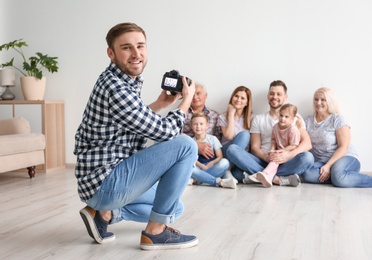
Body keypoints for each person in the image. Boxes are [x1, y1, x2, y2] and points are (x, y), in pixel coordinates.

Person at [73, 22, 199, 250]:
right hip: (105, 181)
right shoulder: (116, 88)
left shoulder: (122, 81)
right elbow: (165, 132)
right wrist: (186, 101)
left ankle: (105, 214)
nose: (136, 54)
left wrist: (162, 103)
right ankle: (155, 233)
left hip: (103, 184)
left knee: (173, 208)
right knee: (186, 145)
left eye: (140, 46)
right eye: (127, 48)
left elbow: (131, 122)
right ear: (111, 53)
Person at [226, 80, 314, 187]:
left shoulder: (295, 118)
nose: (274, 97)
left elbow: (307, 144)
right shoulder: (258, 119)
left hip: (286, 162)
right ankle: (276, 179)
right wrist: (267, 157)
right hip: (262, 160)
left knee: (308, 158)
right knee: (232, 149)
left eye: (279, 94)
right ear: (268, 96)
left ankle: (261, 175)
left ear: (285, 97)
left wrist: (287, 156)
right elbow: (254, 148)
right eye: (272, 93)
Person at [302, 87, 372, 187]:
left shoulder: (337, 119)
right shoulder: (307, 121)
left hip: (345, 157)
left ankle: (338, 176)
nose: (318, 102)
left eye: (323, 99)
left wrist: (329, 165)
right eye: (316, 99)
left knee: (338, 177)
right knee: (307, 174)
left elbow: (344, 147)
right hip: (322, 162)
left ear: (329, 101)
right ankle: (338, 176)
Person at [255, 104, 301, 188]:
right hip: (278, 152)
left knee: (276, 158)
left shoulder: (293, 130)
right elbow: (273, 140)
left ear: (292, 118)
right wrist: (272, 149)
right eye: (281, 115)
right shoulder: (275, 127)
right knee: (275, 157)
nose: (283, 119)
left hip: (289, 154)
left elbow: (294, 145)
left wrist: (282, 151)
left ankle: (265, 173)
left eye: (286, 117)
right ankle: (271, 179)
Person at [189, 112, 235, 189]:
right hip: (199, 167)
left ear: (207, 126)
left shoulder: (212, 139)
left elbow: (220, 156)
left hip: (213, 167)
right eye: (195, 124)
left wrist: (210, 164)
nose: (198, 126)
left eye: (201, 124)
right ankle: (214, 181)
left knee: (225, 162)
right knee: (190, 168)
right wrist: (202, 166)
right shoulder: (190, 141)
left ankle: (197, 180)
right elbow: (191, 159)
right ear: (191, 126)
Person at [183, 82, 221, 160]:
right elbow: (175, 137)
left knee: (223, 163)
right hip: (189, 153)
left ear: (205, 95)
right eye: (192, 94)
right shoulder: (182, 113)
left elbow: (219, 137)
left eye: (198, 93)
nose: (195, 97)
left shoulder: (214, 115)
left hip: (211, 153)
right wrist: (195, 145)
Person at [217, 86, 252, 157]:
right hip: (227, 151)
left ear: (247, 103)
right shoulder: (222, 117)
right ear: (232, 98)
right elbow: (229, 137)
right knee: (245, 134)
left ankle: (232, 165)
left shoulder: (252, 118)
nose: (238, 100)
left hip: (243, 154)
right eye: (236, 96)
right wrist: (231, 115)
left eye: (242, 98)